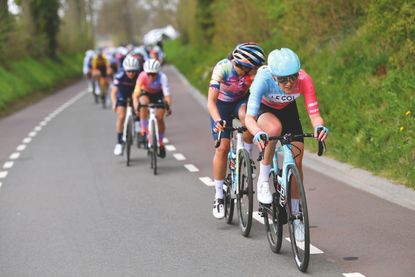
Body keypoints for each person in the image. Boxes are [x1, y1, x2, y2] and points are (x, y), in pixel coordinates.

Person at [245, 48, 329, 240]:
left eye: (292, 77)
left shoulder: (304, 80)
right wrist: (258, 133)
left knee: (297, 161)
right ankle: (264, 178)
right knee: (274, 129)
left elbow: (314, 114)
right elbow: (249, 117)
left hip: (288, 111)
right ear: (274, 77)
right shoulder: (262, 79)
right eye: (283, 80)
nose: (289, 83)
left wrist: (319, 128)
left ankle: (297, 214)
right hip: (265, 111)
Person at [208, 42, 266, 219]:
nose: (254, 73)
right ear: (242, 65)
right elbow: (211, 101)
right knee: (222, 148)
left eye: (256, 69)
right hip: (222, 106)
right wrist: (218, 120)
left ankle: (247, 157)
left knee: (246, 116)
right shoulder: (223, 68)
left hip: (241, 102)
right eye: (252, 69)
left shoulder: (254, 73)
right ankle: (218, 196)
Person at [132, 59, 171, 158]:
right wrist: (136, 107)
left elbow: (167, 95)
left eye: (153, 74)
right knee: (143, 103)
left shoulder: (163, 77)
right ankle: (143, 129)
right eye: (149, 74)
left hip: (158, 95)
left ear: (158, 72)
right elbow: (136, 94)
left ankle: (161, 143)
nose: (151, 76)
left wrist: (168, 107)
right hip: (146, 94)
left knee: (160, 118)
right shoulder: (142, 76)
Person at [111, 55, 141, 155]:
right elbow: (113, 92)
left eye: (133, 71)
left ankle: (137, 122)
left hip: (135, 94)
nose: (131, 73)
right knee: (121, 116)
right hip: (122, 95)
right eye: (129, 71)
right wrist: (114, 102)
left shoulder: (139, 75)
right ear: (125, 70)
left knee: (138, 108)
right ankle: (119, 142)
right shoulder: (119, 75)